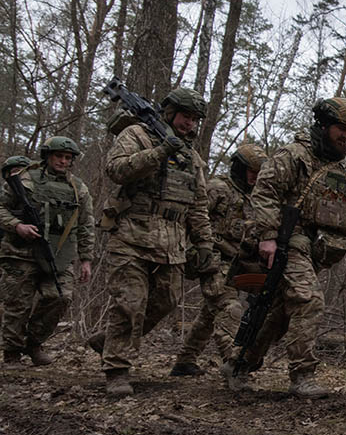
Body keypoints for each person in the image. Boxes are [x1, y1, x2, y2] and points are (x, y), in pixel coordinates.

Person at [221, 98, 346, 398]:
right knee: (308, 300)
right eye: (341, 128)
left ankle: (240, 363)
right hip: (289, 243)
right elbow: (264, 192)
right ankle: (303, 374)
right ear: (324, 126)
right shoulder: (295, 155)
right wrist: (268, 235)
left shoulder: (345, 171)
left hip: (318, 251)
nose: (345, 136)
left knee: (278, 315)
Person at [98, 88, 215, 396]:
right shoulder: (137, 134)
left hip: (172, 242)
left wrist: (204, 243)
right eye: (185, 117)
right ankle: (117, 369)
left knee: (166, 300)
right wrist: (160, 151)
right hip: (132, 236)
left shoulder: (192, 158)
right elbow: (116, 170)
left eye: (193, 120)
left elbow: (198, 204)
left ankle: (107, 341)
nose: (189, 125)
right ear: (169, 112)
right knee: (130, 302)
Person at [169, 143, 267, 377]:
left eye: (259, 174)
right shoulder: (217, 188)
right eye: (252, 172)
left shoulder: (255, 198)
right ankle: (235, 364)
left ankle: (185, 360)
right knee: (228, 307)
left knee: (210, 311)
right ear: (240, 168)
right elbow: (190, 217)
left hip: (238, 263)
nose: (255, 178)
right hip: (211, 258)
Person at [0, 138, 94, 365]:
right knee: (17, 304)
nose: (63, 161)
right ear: (48, 156)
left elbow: (86, 224)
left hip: (59, 253)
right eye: (58, 156)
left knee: (61, 297)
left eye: (67, 158)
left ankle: (33, 343)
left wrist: (86, 259)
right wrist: (17, 225)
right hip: (20, 252)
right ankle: (11, 352)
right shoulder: (24, 179)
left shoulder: (78, 188)